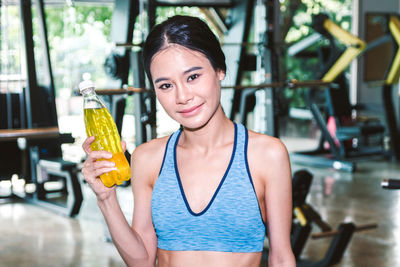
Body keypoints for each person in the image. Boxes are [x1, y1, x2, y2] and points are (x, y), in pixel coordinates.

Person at [82, 15, 295, 267]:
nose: (182, 96)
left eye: (192, 77)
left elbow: (281, 258)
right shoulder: (148, 158)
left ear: (220, 70)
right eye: (165, 86)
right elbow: (142, 261)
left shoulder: (266, 155)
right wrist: (106, 198)